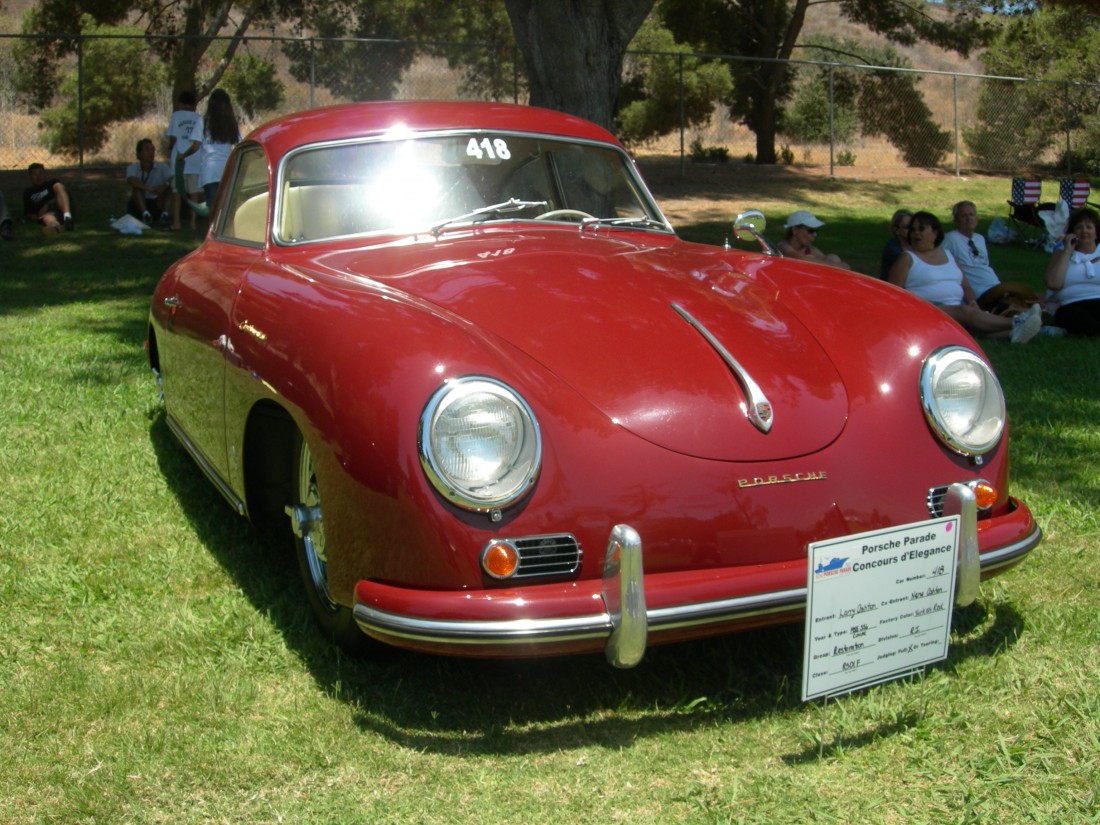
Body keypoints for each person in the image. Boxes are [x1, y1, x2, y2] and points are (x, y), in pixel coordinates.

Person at [888, 211, 1041, 343]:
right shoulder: (907, 259)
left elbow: (966, 286)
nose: (916, 233)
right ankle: (1017, 321)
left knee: (973, 327)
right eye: (913, 230)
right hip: (927, 310)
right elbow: (893, 294)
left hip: (958, 307)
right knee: (965, 313)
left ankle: (1014, 333)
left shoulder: (949, 256)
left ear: (935, 233)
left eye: (921, 229)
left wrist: (973, 301)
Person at [943, 200, 1043, 316]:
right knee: (1018, 291)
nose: (969, 218)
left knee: (1020, 296)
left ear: (976, 218)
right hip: (979, 291)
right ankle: (1028, 312)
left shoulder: (979, 238)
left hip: (995, 285)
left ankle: (1027, 312)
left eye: (971, 214)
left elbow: (984, 264)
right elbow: (939, 259)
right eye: (963, 216)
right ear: (956, 220)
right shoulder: (950, 239)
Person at [1044, 207, 1100, 336]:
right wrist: (1067, 251)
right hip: (1072, 304)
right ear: (1072, 233)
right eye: (1079, 227)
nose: (1084, 231)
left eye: (1089, 227)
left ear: (1096, 233)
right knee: (1070, 316)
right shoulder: (1061, 254)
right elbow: (1053, 284)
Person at [166, 90, 203, 230]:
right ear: (194, 105)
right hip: (195, 158)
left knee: (176, 192)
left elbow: (173, 137)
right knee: (194, 193)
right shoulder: (199, 118)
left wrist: (170, 147)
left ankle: (177, 223)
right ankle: (193, 222)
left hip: (180, 158)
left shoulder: (176, 116)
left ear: (180, 103)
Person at [199, 88, 241, 207]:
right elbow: (240, 143)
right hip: (227, 170)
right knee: (226, 207)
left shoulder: (203, 121)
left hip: (209, 172)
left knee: (213, 208)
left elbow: (195, 146)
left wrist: (182, 156)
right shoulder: (231, 123)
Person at [778, 210, 852, 270]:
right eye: (810, 231)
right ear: (795, 230)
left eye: (816, 231)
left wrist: (835, 262)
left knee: (833, 257)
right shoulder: (783, 246)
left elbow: (841, 265)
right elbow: (802, 259)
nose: (815, 235)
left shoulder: (811, 250)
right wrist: (839, 267)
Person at [126, 138, 172, 227]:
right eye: (147, 150)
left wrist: (164, 186)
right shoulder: (132, 168)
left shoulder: (162, 167)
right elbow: (131, 180)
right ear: (139, 154)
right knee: (137, 189)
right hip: (140, 202)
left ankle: (164, 215)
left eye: (152, 150)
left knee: (169, 189)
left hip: (156, 201)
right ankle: (145, 215)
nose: (151, 153)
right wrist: (147, 188)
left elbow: (172, 179)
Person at [23, 163, 73, 233]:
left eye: (41, 173)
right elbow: (28, 212)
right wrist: (33, 216)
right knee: (48, 217)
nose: (38, 177)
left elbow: (62, 193)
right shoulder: (28, 192)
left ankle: (67, 217)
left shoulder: (51, 183)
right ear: (30, 176)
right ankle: (56, 226)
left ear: (44, 174)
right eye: (35, 174)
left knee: (58, 185)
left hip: (60, 208)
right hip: (46, 214)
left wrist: (48, 205)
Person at [879, 208, 912, 279]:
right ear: (896, 229)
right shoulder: (893, 249)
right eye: (907, 227)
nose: (913, 230)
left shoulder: (916, 246)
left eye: (913, 227)